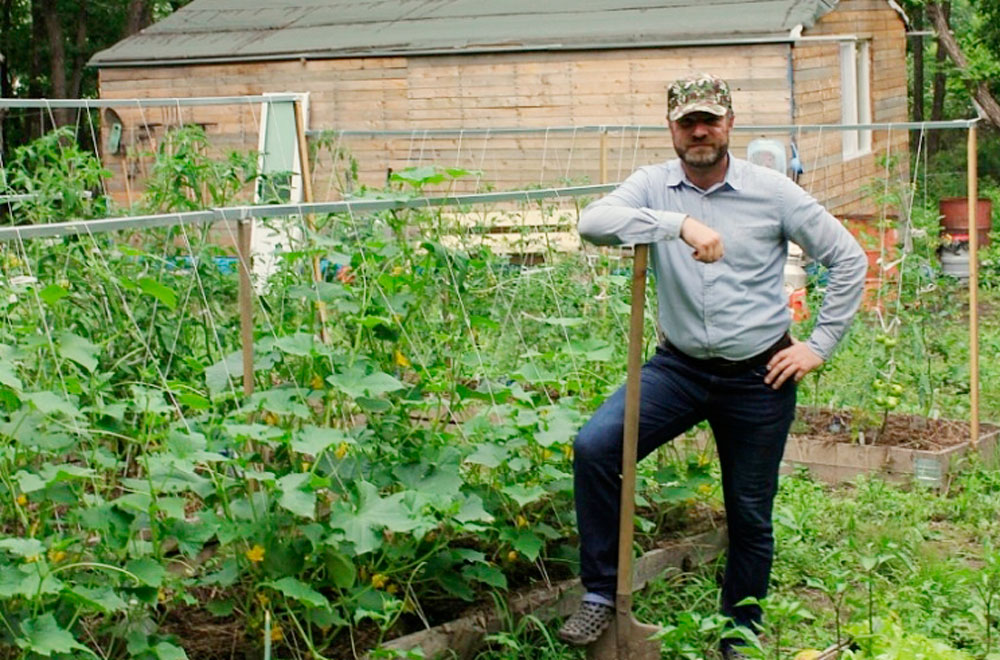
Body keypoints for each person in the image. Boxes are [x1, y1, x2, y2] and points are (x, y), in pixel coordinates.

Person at [556, 73, 867, 658]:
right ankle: (600, 595)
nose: (699, 131)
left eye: (710, 120)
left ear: (729, 124)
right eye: (687, 121)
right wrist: (678, 224)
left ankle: (738, 631)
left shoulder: (772, 192)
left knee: (749, 510)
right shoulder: (653, 184)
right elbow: (593, 223)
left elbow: (848, 258)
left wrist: (818, 345)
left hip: (759, 373)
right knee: (596, 447)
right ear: (671, 127)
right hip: (678, 369)